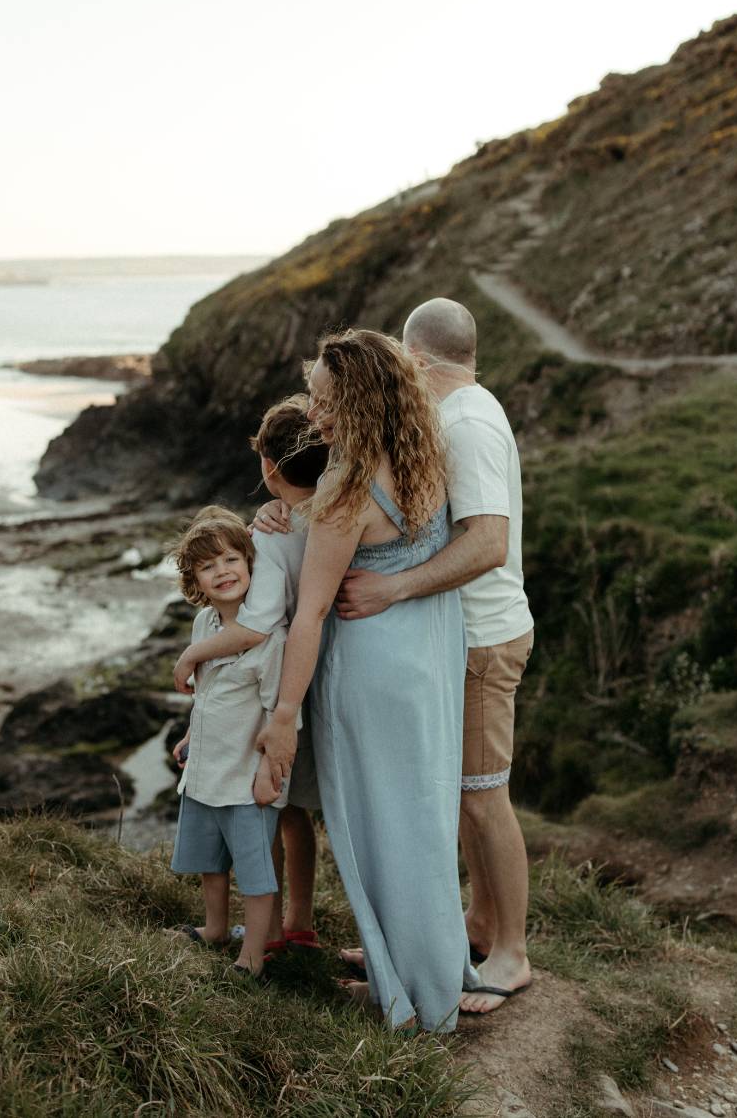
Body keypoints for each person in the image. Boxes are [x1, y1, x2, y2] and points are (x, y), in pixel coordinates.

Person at [256, 328, 479, 1033]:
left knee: (380, 828)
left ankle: (412, 996)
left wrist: (284, 715)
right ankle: (428, 972)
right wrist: (287, 509)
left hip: (371, 672)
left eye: (324, 400)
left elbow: (311, 612)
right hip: (427, 658)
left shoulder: (347, 486)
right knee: (422, 818)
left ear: (357, 400)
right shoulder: (423, 454)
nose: (312, 414)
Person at [335, 298, 535, 1014]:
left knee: (483, 798)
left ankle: (511, 953)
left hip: (483, 637)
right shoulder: (462, 412)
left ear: (417, 359)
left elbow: (489, 543)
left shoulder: (468, 424)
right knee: (464, 794)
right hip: (463, 635)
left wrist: (393, 587)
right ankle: (475, 924)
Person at [171, 396, 328, 949]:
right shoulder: (337, 506)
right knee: (294, 810)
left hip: (291, 682)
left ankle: (278, 931)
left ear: (266, 465)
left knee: (279, 809)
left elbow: (257, 627)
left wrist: (192, 655)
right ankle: (296, 923)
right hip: (329, 668)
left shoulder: (271, 535)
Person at [168, 507, 287, 976]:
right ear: (195, 580)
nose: (222, 571)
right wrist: (190, 735)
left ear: (250, 564)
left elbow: (279, 711)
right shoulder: (204, 626)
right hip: (206, 771)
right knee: (209, 861)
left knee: (254, 871)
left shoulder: (271, 638)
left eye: (231, 559)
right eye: (208, 565)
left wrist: (268, 770)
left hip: (246, 776)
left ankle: (253, 955)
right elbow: (206, 694)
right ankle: (216, 927)